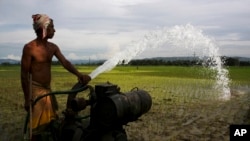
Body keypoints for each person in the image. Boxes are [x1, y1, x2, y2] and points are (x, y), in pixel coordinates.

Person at [20, 14, 91, 140]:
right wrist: (27, 99)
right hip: (36, 90)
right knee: (36, 128)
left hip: (47, 90)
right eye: (52, 27)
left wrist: (79, 75)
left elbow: (65, 62)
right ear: (44, 28)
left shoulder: (52, 47)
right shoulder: (29, 48)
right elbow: (24, 75)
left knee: (50, 122)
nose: (54, 30)